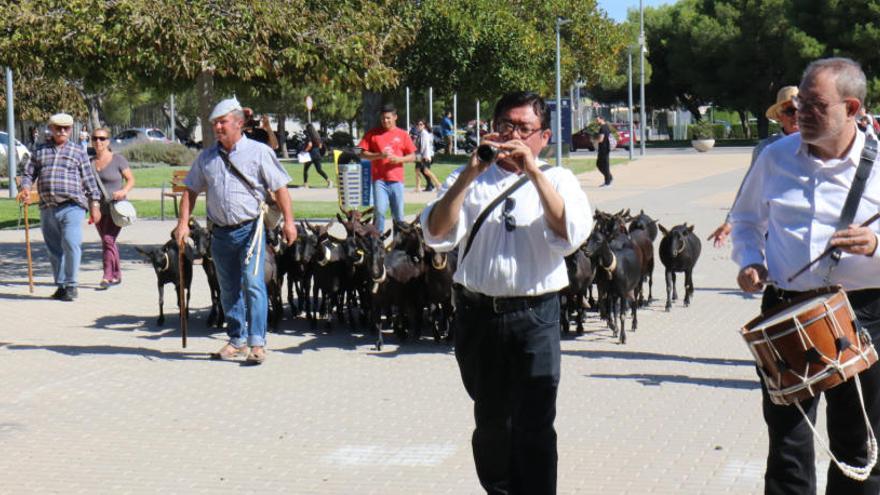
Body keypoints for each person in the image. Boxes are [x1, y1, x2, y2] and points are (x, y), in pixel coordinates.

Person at [420, 91, 592, 494]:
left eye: (524, 128)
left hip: (535, 316)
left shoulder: (559, 179)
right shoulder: (470, 177)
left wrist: (533, 172)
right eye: (505, 126)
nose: (512, 135)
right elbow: (437, 232)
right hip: (478, 315)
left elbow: (569, 234)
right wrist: (468, 173)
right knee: (492, 423)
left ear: (544, 136)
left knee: (534, 424)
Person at [731, 57, 880, 494]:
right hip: (785, 309)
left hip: (863, 312)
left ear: (851, 109)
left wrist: (875, 245)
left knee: (860, 446)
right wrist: (749, 261)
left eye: (815, 106)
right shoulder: (775, 157)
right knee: (788, 445)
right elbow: (743, 220)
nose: (801, 115)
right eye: (798, 105)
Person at [174, 98, 296, 365]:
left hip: (251, 229)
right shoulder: (206, 158)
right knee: (228, 289)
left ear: (239, 123)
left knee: (253, 284)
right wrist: (183, 224)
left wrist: (289, 222)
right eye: (214, 123)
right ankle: (236, 339)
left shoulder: (259, 152)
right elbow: (191, 191)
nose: (217, 127)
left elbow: (280, 187)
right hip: (220, 232)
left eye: (222, 122)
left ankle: (257, 343)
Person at [17, 113, 102, 302]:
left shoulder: (78, 152)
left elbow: (90, 182)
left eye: (66, 128)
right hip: (47, 207)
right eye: (58, 128)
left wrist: (95, 205)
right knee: (54, 249)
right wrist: (25, 188)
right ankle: (61, 285)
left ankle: (72, 285)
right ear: (51, 128)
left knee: (71, 244)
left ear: (71, 130)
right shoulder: (40, 150)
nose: (62, 131)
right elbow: (28, 173)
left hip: (72, 206)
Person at [708, 86, 800, 247]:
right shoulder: (766, 149)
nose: (797, 116)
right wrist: (730, 222)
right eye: (791, 111)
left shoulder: (820, 145)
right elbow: (749, 188)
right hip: (777, 228)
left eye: (803, 109)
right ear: (779, 115)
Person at [358, 103, 416, 233]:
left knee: (399, 215)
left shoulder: (403, 134)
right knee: (379, 211)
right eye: (383, 118)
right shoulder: (373, 134)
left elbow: (413, 156)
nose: (385, 121)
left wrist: (399, 159)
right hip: (379, 181)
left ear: (395, 117)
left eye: (388, 118)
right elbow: (358, 151)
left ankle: (398, 244)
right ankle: (378, 241)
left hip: (397, 181)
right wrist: (379, 155)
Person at [90, 127, 135, 289]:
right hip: (98, 209)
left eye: (102, 139)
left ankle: (107, 276)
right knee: (107, 242)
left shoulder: (118, 160)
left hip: (116, 208)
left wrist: (123, 191)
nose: (98, 142)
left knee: (108, 240)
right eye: (95, 138)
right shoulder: (90, 163)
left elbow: (131, 180)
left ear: (108, 141)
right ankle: (117, 274)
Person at [414, 119, 441, 192]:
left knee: (426, 171)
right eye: (418, 124)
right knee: (417, 170)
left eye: (421, 124)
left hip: (423, 155)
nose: (419, 126)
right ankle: (418, 187)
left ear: (424, 126)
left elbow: (425, 146)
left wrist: (425, 156)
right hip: (419, 155)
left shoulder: (424, 133)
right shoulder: (420, 134)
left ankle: (438, 184)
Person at [301, 123, 331, 189]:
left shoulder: (309, 136)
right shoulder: (317, 136)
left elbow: (309, 145)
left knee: (305, 170)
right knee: (319, 170)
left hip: (310, 155)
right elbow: (320, 146)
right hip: (317, 155)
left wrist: (304, 151)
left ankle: (306, 185)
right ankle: (329, 181)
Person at [594, 116, 613, 187]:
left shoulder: (602, 128)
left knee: (603, 165)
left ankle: (608, 182)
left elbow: (601, 139)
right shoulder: (607, 126)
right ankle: (609, 177)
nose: (596, 121)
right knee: (601, 164)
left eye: (597, 120)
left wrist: (595, 140)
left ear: (602, 119)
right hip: (606, 148)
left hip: (604, 149)